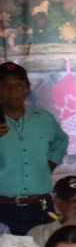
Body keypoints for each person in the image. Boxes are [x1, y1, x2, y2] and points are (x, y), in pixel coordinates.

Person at [0, 61, 68, 236]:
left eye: (18, 85)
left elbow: (61, 141)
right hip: (2, 208)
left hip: (40, 208)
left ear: (27, 88)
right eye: (5, 86)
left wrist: (49, 164)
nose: (12, 91)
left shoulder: (44, 119)